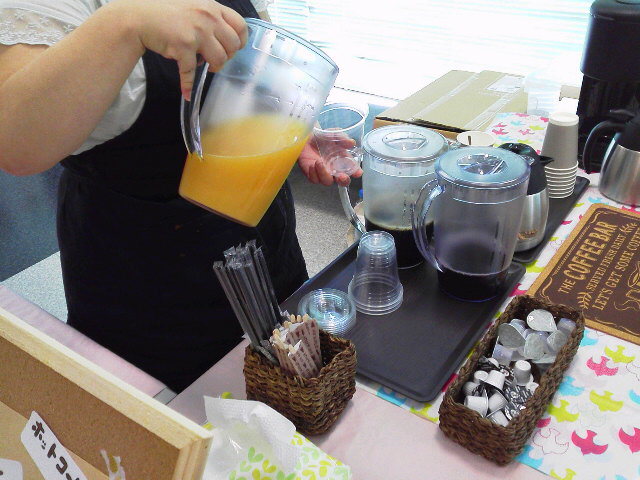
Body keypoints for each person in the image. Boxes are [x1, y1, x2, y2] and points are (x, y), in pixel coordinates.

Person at [0, 0, 361, 392]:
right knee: (179, 410)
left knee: (288, 373)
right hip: (148, 281)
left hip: (263, 245)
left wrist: (288, 131)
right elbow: (17, 144)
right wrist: (126, 22)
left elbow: (252, 69)